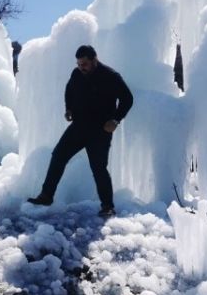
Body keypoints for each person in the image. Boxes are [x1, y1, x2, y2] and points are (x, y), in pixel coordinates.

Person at [27, 45, 133, 217]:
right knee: (58, 156)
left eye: (84, 63)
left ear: (94, 60)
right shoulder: (77, 74)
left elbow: (127, 99)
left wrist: (115, 120)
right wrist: (69, 108)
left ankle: (108, 206)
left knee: (98, 168)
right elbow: (69, 90)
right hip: (78, 127)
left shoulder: (111, 76)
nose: (81, 67)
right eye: (78, 63)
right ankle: (46, 196)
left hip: (100, 131)